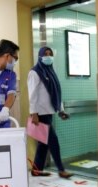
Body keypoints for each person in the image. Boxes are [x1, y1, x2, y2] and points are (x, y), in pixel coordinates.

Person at [28, 46, 73, 179]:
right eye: (45, 54)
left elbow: (56, 93)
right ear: (40, 56)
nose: (48, 56)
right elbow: (32, 94)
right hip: (40, 114)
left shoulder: (51, 72)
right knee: (53, 141)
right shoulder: (35, 72)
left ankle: (36, 169)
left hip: (49, 112)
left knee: (43, 143)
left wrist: (61, 110)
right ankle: (61, 169)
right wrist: (34, 113)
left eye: (50, 54)